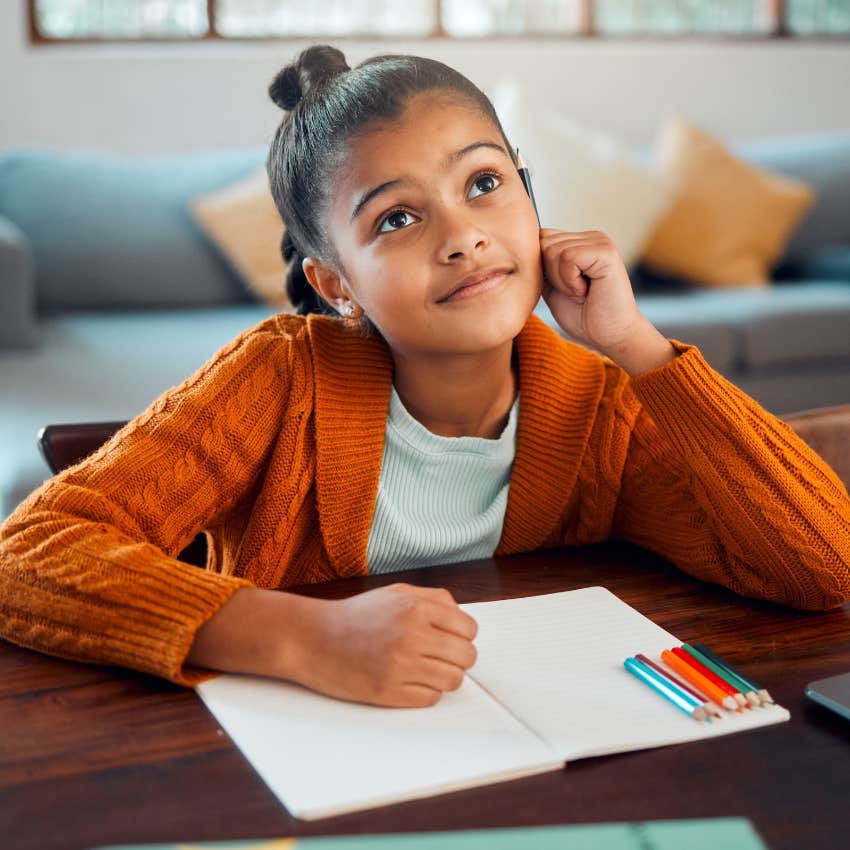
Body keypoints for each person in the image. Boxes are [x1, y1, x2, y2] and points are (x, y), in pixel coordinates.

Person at [1, 46, 848, 711]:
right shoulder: (280, 378)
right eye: (398, 217)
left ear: (529, 197)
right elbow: (28, 554)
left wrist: (641, 348)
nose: (464, 237)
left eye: (485, 184)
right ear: (336, 284)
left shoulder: (599, 404)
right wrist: (303, 637)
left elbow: (823, 566)